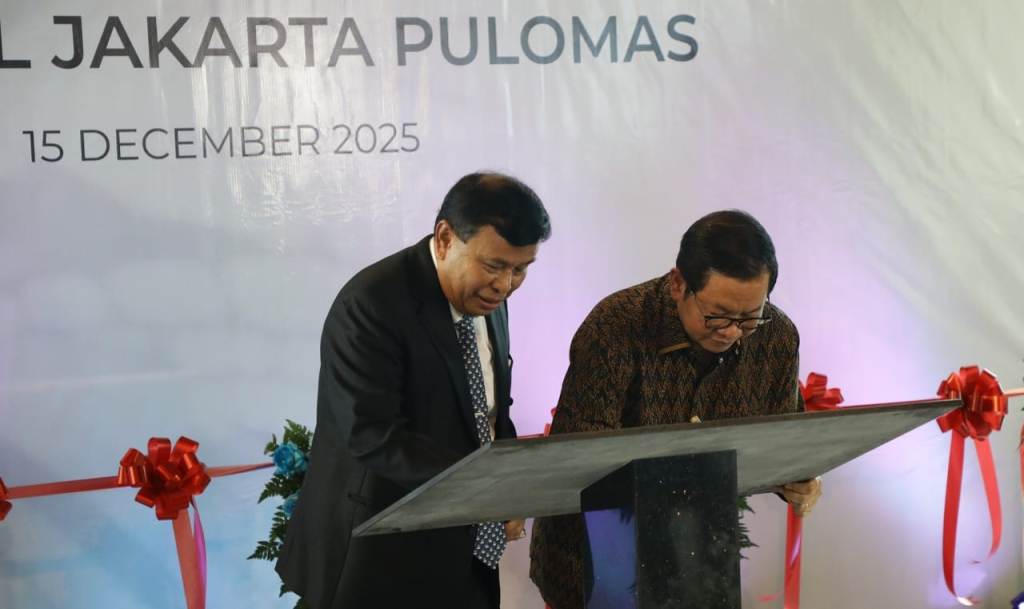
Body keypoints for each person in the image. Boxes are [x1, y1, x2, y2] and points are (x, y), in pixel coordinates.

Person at [277, 172, 552, 609]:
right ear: (445, 239)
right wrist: (489, 487)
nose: (505, 284)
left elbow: (489, 411)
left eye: (520, 269)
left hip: (465, 553)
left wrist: (509, 486)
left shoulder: (488, 301)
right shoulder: (371, 304)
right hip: (378, 558)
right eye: (494, 265)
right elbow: (373, 436)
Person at [528, 209, 822, 609]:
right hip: (597, 548)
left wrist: (797, 478)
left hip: (698, 555)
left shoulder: (777, 337)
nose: (732, 332)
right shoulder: (616, 326)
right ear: (678, 283)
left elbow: (781, 439)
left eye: (749, 317)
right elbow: (580, 456)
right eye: (716, 316)